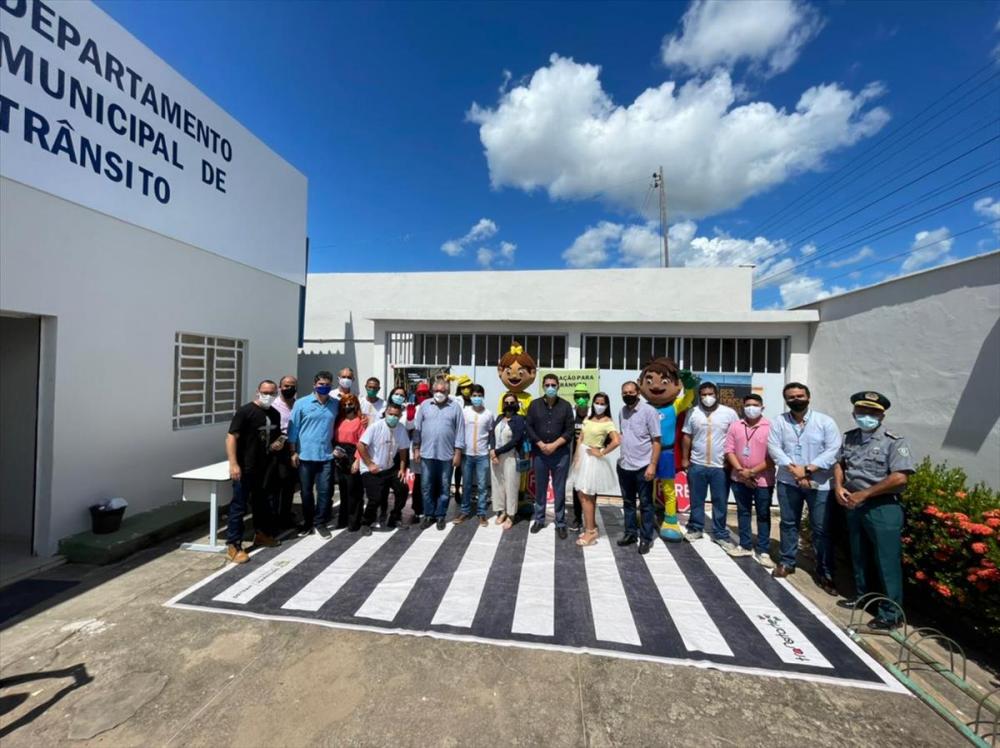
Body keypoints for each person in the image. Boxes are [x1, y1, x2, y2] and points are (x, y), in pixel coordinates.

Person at [834, 391, 915, 630]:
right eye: (862, 411)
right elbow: (840, 463)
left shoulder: (894, 441)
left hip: (882, 506)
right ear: (854, 413)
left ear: (882, 414)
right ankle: (864, 597)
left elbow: (900, 477)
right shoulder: (849, 438)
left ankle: (892, 613)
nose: (866, 416)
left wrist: (865, 494)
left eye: (872, 412)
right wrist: (839, 486)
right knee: (859, 556)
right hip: (853, 505)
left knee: (886, 560)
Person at [767, 382, 842, 593]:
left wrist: (808, 470)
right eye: (791, 397)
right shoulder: (779, 422)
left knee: (821, 530)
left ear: (808, 397)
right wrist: (795, 471)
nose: (796, 400)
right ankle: (787, 561)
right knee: (789, 523)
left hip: (820, 484)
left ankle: (825, 572)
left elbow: (833, 450)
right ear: (786, 400)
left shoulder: (825, 422)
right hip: (788, 481)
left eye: (800, 396)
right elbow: (774, 448)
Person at [224, 380, 283, 563]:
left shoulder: (274, 413)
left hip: (264, 467)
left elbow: (274, 436)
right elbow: (231, 436)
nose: (268, 395)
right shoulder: (245, 411)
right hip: (245, 467)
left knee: (261, 503)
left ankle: (261, 534)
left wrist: (277, 444)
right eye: (265, 392)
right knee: (239, 506)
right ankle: (234, 544)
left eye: (272, 392)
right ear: (258, 391)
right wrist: (233, 463)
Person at [682, 382, 740, 548]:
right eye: (704, 394)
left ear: (717, 395)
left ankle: (720, 533)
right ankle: (695, 528)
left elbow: (736, 437)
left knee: (720, 500)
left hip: (720, 466)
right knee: (696, 499)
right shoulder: (692, 412)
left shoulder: (729, 413)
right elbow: (687, 436)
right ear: (699, 396)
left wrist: (733, 461)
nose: (707, 397)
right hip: (697, 464)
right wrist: (685, 459)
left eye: (711, 394)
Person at [724, 394, 775, 565]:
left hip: (763, 479)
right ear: (742, 407)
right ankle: (745, 545)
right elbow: (729, 450)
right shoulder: (735, 426)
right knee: (743, 511)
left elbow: (773, 456)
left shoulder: (771, 427)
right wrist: (740, 470)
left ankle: (763, 549)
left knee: (763, 514)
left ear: (762, 407)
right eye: (747, 405)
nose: (751, 408)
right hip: (738, 478)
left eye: (755, 405)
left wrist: (751, 472)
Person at [287, 371, 339, 538]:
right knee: (306, 492)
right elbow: (293, 429)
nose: (324, 387)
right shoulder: (301, 403)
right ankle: (308, 522)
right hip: (304, 456)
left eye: (327, 384)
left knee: (325, 492)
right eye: (321, 384)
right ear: (314, 385)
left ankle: (320, 523)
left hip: (326, 456)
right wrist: (293, 451)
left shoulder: (335, 404)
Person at [526, 373, 575, 538]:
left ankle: (560, 522)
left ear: (558, 386)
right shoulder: (534, 405)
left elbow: (569, 430)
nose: (550, 388)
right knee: (540, 487)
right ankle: (539, 519)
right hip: (540, 453)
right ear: (543, 386)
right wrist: (540, 444)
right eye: (547, 385)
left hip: (560, 454)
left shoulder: (566, 406)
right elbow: (529, 427)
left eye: (553, 385)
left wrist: (554, 445)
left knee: (559, 488)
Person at [568, 392, 620, 547]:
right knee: (581, 493)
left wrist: (601, 452)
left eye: (602, 403)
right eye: (597, 402)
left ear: (607, 405)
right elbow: (580, 438)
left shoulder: (608, 422)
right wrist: (577, 457)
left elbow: (616, 441)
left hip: (593, 459)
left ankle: (590, 531)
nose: (599, 405)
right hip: (582, 457)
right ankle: (592, 525)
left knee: (587, 495)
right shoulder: (588, 419)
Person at [413, 377, 465, 530]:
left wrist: (458, 453)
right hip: (426, 454)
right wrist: (416, 448)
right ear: (432, 391)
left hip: (447, 455)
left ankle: (441, 515)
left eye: (442, 391)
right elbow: (417, 429)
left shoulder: (455, 407)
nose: (439, 393)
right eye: (436, 391)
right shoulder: (424, 405)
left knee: (444, 486)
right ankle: (429, 515)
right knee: (426, 486)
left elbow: (460, 431)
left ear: (448, 392)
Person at [616, 380, 662, 554]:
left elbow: (657, 440)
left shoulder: (649, 412)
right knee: (628, 503)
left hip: (643, 466)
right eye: (624, 393)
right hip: (625, 466)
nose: (628, 395)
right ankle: (630, 534)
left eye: (631, 392)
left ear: (638, 393)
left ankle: (646, 538)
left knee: (645, 504)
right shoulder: (622, 412)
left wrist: (652, 465)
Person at [357, 403, 410, 533]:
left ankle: (394, 517)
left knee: (403, 489)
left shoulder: (401, 429)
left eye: (396, 415)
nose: (393, 417)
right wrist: (369, 464)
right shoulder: (375, 427)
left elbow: (403, 450)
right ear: (385, 413)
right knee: (375, 498)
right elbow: (360, 445)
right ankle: (366, 522)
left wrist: (402, 469)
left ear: (400, 416)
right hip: (372, 468)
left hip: (390, 468)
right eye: (390, 414)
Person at [455, 384, 494, 526]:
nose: (477, 398)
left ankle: (482, 513)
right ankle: (464, 511)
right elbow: (459, 431)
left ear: (483, 397)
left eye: (479, 396)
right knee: (466, 485)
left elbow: (491, 434)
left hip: (482, 455)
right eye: (474, 396)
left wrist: (491, 449)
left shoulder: (489, 414)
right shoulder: (464, 412)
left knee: (483, 486)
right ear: (470, 397)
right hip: (467, 454)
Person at [490, 392, 527, 529]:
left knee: (511, 486)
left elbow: (516, 440)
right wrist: (492, 450)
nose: (509, 405)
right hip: (496, 457)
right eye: (507, 402)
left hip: (511, 456)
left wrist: (497, 452)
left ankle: (511, 515)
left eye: (512, 402)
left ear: (516, 404)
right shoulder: (499, 417)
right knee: (498, 484)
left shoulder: (519, 419)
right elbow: (491, 434)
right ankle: (502, 511)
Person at [332, 393, 367, 531]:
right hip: (340, 455)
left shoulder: (361, 421)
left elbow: (362, 442)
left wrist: (357, 460)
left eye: (350, 404)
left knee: (354, 490)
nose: (347, 407)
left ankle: (354, 520)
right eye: (345, 404)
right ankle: (343, 519)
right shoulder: (339, 420)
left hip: (354, 454)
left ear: (356, 405)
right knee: (343, 489)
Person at [272, 374, 299, 529]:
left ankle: (286, 516)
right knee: (277, 486)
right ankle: (274, 518)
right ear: (280, 387)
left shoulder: (298, 404)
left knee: (290, 485)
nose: (289, 389)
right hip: (279, 450)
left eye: (292, 386)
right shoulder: (274, 405)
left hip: (294, 449)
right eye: (286, 386)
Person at [385, 385, 414, 528]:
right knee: (381, 488)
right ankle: (380, 514)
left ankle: (395, 514)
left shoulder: (407, 409)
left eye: (402, 395)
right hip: (382, 454)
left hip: (400, 454)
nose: (399, 396)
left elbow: (410, 428)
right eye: (396, 394)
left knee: (401, 487)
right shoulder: (384, 408)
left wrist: (410, 417)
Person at [568, 383, 591, 532]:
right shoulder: (571, 412)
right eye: (578, 396)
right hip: (574, 457)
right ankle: (577, 518)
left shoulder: (592, 413)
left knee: (589, 489)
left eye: (583, 396)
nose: (581, 399)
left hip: (589, 458)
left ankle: (590, 519)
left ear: (588, 397)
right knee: (576, 489)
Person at [451, 374, 474, 504]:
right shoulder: (456, 400)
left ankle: (467, 491)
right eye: (463, 387)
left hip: (470, 437)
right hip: (457, 437)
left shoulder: (475, 401)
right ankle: (457, 490)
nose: (466, 390)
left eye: (468, 387)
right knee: (458, 467)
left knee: (468, 467)